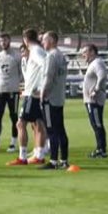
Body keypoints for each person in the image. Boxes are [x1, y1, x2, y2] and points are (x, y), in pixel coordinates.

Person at [8, 29, 48, 166]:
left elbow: (45, 66)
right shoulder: (38, 50)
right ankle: (39, 155)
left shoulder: (36, 51)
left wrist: (40, 87)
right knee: (38, 124)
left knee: (21, 123)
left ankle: (22, 157)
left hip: (33, 93)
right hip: (32, 92)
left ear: (25, 39)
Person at [40, 31, 69, 169]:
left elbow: (48, 77)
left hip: (50, 98)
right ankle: (64, 159)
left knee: (51, 130)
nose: (42, 43)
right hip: (59, 97)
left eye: (44, 40)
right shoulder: (61, 56)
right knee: (61, 129)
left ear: (51, 40)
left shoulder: (51, 56)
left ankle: (53, 161)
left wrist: (43, 93)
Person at [0, 33, 22, 153]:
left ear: (9, 41)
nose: (3, 43)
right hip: (0, 90)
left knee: (14, 117)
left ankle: (13, 143)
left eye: (5, 41)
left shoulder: (16, 56)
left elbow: (21, 73)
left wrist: (14, 82)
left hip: (13, 90)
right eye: (1, 41)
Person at [82, 43, 108, 158]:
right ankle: (100, 149)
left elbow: (102, 76)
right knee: (95, 124)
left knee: (97, 124)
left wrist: (95, 90)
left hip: (94, 100)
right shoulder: (93, 63)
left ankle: (101, 149)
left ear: (92, 52)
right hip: (91, 100)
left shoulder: (97, 63)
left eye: (85, 52)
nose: (83, 55)